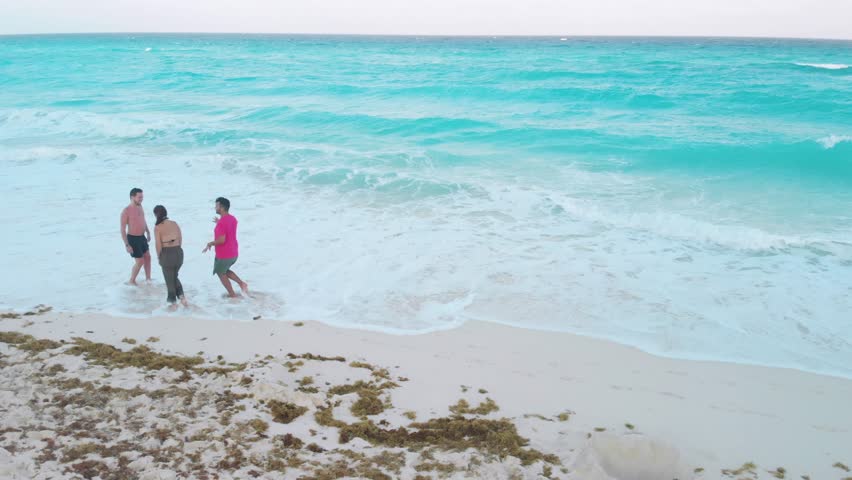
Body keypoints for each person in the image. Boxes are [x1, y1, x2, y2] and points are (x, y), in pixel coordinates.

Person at [203, 197, 248, 297]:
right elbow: (228, 227)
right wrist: (219, 222)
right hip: (234, 252)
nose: (215, 207)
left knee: (221, 273)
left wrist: (210, 243)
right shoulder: (232, 219)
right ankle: (242, 284)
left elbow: (221, 240)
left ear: (222, 207)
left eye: (217, 205)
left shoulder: (222, 223)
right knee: (225, 270)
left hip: (224, 255)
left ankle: (233, 295)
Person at [153, 205, 188, 309]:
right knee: (174, 277)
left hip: (167, 255)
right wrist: (176, 250)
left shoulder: (158, 227)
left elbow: (158, 245)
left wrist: (159, 256)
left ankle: (172, 303)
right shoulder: (174, 223)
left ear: (156, 215)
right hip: (178, 253)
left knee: (169, 279)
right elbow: (180, 239)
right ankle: (182, 298)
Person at [120, 188, 152, 285]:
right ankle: (132, 281)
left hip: (142, 237)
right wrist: (127, 245)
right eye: (139, 197)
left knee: (148, 257)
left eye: (142, 197)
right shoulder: (126, 211)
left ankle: (148, 279)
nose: (141, 199)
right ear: (132, 197)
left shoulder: (140, 206)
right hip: (133, 239)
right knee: (140, 261)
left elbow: (143, 220)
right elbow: (122, 229)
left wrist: (148, 232)